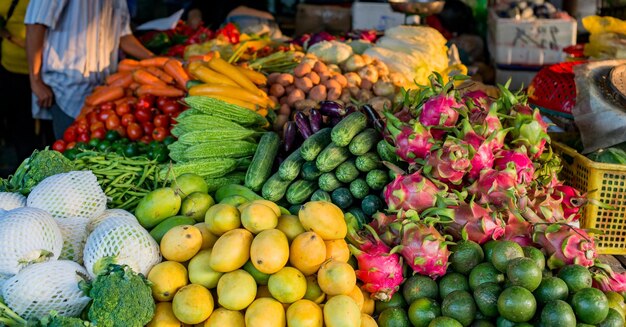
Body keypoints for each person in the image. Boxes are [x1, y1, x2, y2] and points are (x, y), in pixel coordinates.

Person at [25, 0, 155, 139]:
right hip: (66, 90)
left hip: (103, 91)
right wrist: (36, 80)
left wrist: (157, 59)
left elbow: (123, 36)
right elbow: (35, 24)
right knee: (70, 150)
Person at [0, 0, 53, 164]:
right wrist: (9, 36)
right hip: (11, 68)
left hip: (47, 74)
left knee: (49, 132)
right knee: (21, 128)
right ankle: (24, 174)